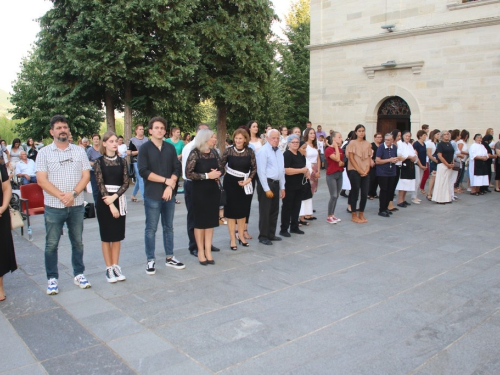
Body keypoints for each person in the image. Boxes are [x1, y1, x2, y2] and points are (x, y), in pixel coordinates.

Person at [36, 115, 92, 295]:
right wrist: (61, 196)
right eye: (59, 127)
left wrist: (73, 194)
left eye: (65, 127)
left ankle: (79, 273)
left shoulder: (79, 151)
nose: (63, 130)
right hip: (54, 206)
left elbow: (86, 176)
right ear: (52, 132)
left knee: (78, 242)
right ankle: (52, 278)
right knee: (51, 244)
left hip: (76, 205)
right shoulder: (44, 153)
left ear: (69, 131)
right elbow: (41, 180)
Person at [138, 117, 184, 274]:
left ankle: (170, 257)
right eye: (156, 128)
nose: (160, 130)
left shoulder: (170, 148)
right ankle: (150, 259)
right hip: (152, 194)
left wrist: (170, 186)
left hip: (169, 194)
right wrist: (167, 182)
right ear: (150, 130)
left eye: (162, 128)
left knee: (168, 226)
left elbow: (176, 168)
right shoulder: (144, 148)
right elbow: (144, 171)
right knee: (151, 228)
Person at [93, 131, 129, 283]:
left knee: (117, 236)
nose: (115, 143)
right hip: (104, 200)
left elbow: (126, 182)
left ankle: (116, 266)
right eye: (111, 141)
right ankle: (108, 268)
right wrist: (111, 205)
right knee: (106, 236)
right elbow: (100, 185)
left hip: (118, 198)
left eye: (116, 141)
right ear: (104, 143)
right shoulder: (98, 162)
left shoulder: (122, 162)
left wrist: (115, 198)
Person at [182, 124, 220, 256]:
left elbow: (222, 167)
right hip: (197, 190)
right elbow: (188, 173)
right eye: (212, 137)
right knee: (197, 220)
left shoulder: (214, 152)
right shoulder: (193, 151)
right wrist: (208, 176)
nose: (215, 139)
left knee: (210, 221)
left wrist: (218, 173)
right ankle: (197, 248)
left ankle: (207, 249)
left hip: (212, 191)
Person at [220, 129, 256, 250]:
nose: (238, 140)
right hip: (230, 184)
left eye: (240, 138)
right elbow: (221, 165)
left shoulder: (250, 152)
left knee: (242, 212)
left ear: (245, 139)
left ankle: (241, 236)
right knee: (231, 213)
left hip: (245, 184)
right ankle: (232, 239)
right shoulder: (229, 150)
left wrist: (248, 180)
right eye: (236, 138)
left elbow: (254, 168)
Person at [256, 129, 285, 245]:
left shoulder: (279, 151)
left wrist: (283, 187)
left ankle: (271, 234)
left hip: (276, 183)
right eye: (273, 138)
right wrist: (266, 188)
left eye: (277, 138)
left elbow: (281, 170)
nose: (276, 140)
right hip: (267, 184)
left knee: (274, 210)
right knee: (265, 211)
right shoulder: (263, 151)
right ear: (267, 138)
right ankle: (263, 236)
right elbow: (261, 171)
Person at [280, 134, 307, 236]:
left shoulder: (300, 154)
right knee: (287, 207)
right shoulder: (286, 155)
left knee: (297, 206)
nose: (296, 144)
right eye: (293, 142)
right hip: (289, 186)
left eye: (297, 142)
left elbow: (304, 167)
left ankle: (294, 227)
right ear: (289, 143)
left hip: (299, 185)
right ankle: (284, 229)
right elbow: (286, 170)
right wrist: (301, 170)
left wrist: (306, 171)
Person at [346, 124, 372, 223]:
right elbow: (351, 158)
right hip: (354, 170)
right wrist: (359, 170)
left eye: (363, 131)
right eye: (360, 131)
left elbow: (369, 158)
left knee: (365, 193)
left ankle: (361, 213)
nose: (361, 133)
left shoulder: (368, 144)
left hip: (365, 171)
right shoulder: (352, 143)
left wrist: (367, 169)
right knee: (355, 192)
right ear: (356, 132)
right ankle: (354, 214)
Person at [0, 162, 17, 301]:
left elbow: (6, 188)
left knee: (1, 248)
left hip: (0, 212)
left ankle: (0, 287)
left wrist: (3, 207)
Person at [299, 128, 320, 222]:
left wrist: (319, 170)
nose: (313, 135)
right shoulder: (305, 144)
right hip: (309, 167)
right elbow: (300, 151)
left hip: (316, 167)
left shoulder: (315, 145)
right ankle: (304, 213)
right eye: (311, 133)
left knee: (313, 190)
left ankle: (308, 211)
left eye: (314, 133)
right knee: (308, 190)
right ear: (307, 134)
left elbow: (318, 158)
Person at [376, 133, 398, 217]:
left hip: (392, 171)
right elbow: (377, 160)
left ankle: (386, 208)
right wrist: (389, 160)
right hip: (382, 172)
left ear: (392, 140)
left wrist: (396, 159)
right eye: (385, 140)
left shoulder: (394, 147)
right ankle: (381, 209)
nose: (387, 141)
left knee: (390, 190)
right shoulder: (381, 147)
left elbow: (395, 157)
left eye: (389, 140)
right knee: (384, 190)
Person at [324, 131, 344, 223]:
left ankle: (332, 214)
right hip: (331, 175)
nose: (341, 139)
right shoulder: (329, 149)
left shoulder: (340, 150)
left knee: (337, 195)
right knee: (333, 195)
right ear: (334, 139)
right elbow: (336, 159)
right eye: (339, 137)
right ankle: (329, 216)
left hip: (339, 173)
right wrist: (335, 147)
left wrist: (341, 162)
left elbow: (342, 161)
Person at [395, 131, 417, 207]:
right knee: (403, 183)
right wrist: (409, 156)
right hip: (404, 164)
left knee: (408, 183)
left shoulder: (410, 145)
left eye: (409, 136)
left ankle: (403, 199)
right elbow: (400, 154)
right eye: (406, 136)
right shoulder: (400, 144)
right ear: (403, 136)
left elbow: (414, 153)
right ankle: (400, 200)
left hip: (410, 165)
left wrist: (414, 158)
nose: (407, 137)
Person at [432, 131, 455, 204]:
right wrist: (447, 164)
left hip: (449, 165)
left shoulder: (450, 144)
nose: (447, 136)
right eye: (445, 134)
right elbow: (439, 156)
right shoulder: (440, 145)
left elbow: (452, 154)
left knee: (447, 182)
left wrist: (452, 163)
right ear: (442, 136)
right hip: (442, 165)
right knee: (441, 182)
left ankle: (447, 198)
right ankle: (440, 199)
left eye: (448, 134)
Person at [129, 124, 148, 202]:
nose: (142, 130)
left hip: (146, 161)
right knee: (141, 178)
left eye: (142, 129)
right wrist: (139, 152)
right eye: (140, 129)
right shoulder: (132, 140)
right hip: (136, 161)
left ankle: (133, 195)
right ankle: (145, 198)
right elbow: (129, 152)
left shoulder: (147, 139)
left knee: (138, 180)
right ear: (136, 130)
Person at [166, 126, 185, 204]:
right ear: (173, 133)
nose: (179, 133)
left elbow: (183, 152)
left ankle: (174, 196)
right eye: (177, 132)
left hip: (177, 163)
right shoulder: (167, 141)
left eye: (179, 132)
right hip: (168, 162)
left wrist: (179, 156)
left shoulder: (181, 142)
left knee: (176, 180)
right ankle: (168, 194)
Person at [411, 130, 428, 204]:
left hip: (423, 164)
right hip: (417, 164)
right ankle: (413, 196)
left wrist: (425, 164)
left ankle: (416, 195)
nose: (425, 137)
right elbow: (416, 155)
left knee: (419, 180)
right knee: (417, 181)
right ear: (420, 136)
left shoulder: (424, 144)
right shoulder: (416, 144)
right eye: (424, 135)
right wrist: (420, 164)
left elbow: (425, 154)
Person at [86, 134, 102, 204]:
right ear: (92, 140)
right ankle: (96, 204)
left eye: (97, 139)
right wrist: (93, 163)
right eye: (94, 139)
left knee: (102, 188)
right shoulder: (90, 150)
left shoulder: (102, 149)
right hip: (93, 171)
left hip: (102, 171)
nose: (96, 140)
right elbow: (86, 160)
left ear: (99, 140)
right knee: (95, 189)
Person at [425, 129, 440, 200]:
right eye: (437, 134)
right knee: (432, 178)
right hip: (432, 162)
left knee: (437, 178)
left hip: (438, 162)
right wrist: (436, 160)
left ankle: (434, 192)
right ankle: (429, 193)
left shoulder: (439, 143)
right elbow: (429, 154)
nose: (438, 135)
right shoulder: (429, 143)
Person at [368, 133, 382, 199]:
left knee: (377, 179)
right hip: (373, 163)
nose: (379, 138)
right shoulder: (372, 145)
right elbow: (369, 153)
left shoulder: (381, 145)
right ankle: (369, 193)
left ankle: (374, 193)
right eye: (378, 137)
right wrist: (371, 160)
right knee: (372, 179)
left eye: (380, 137)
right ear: (375, 138)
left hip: (379, 164)